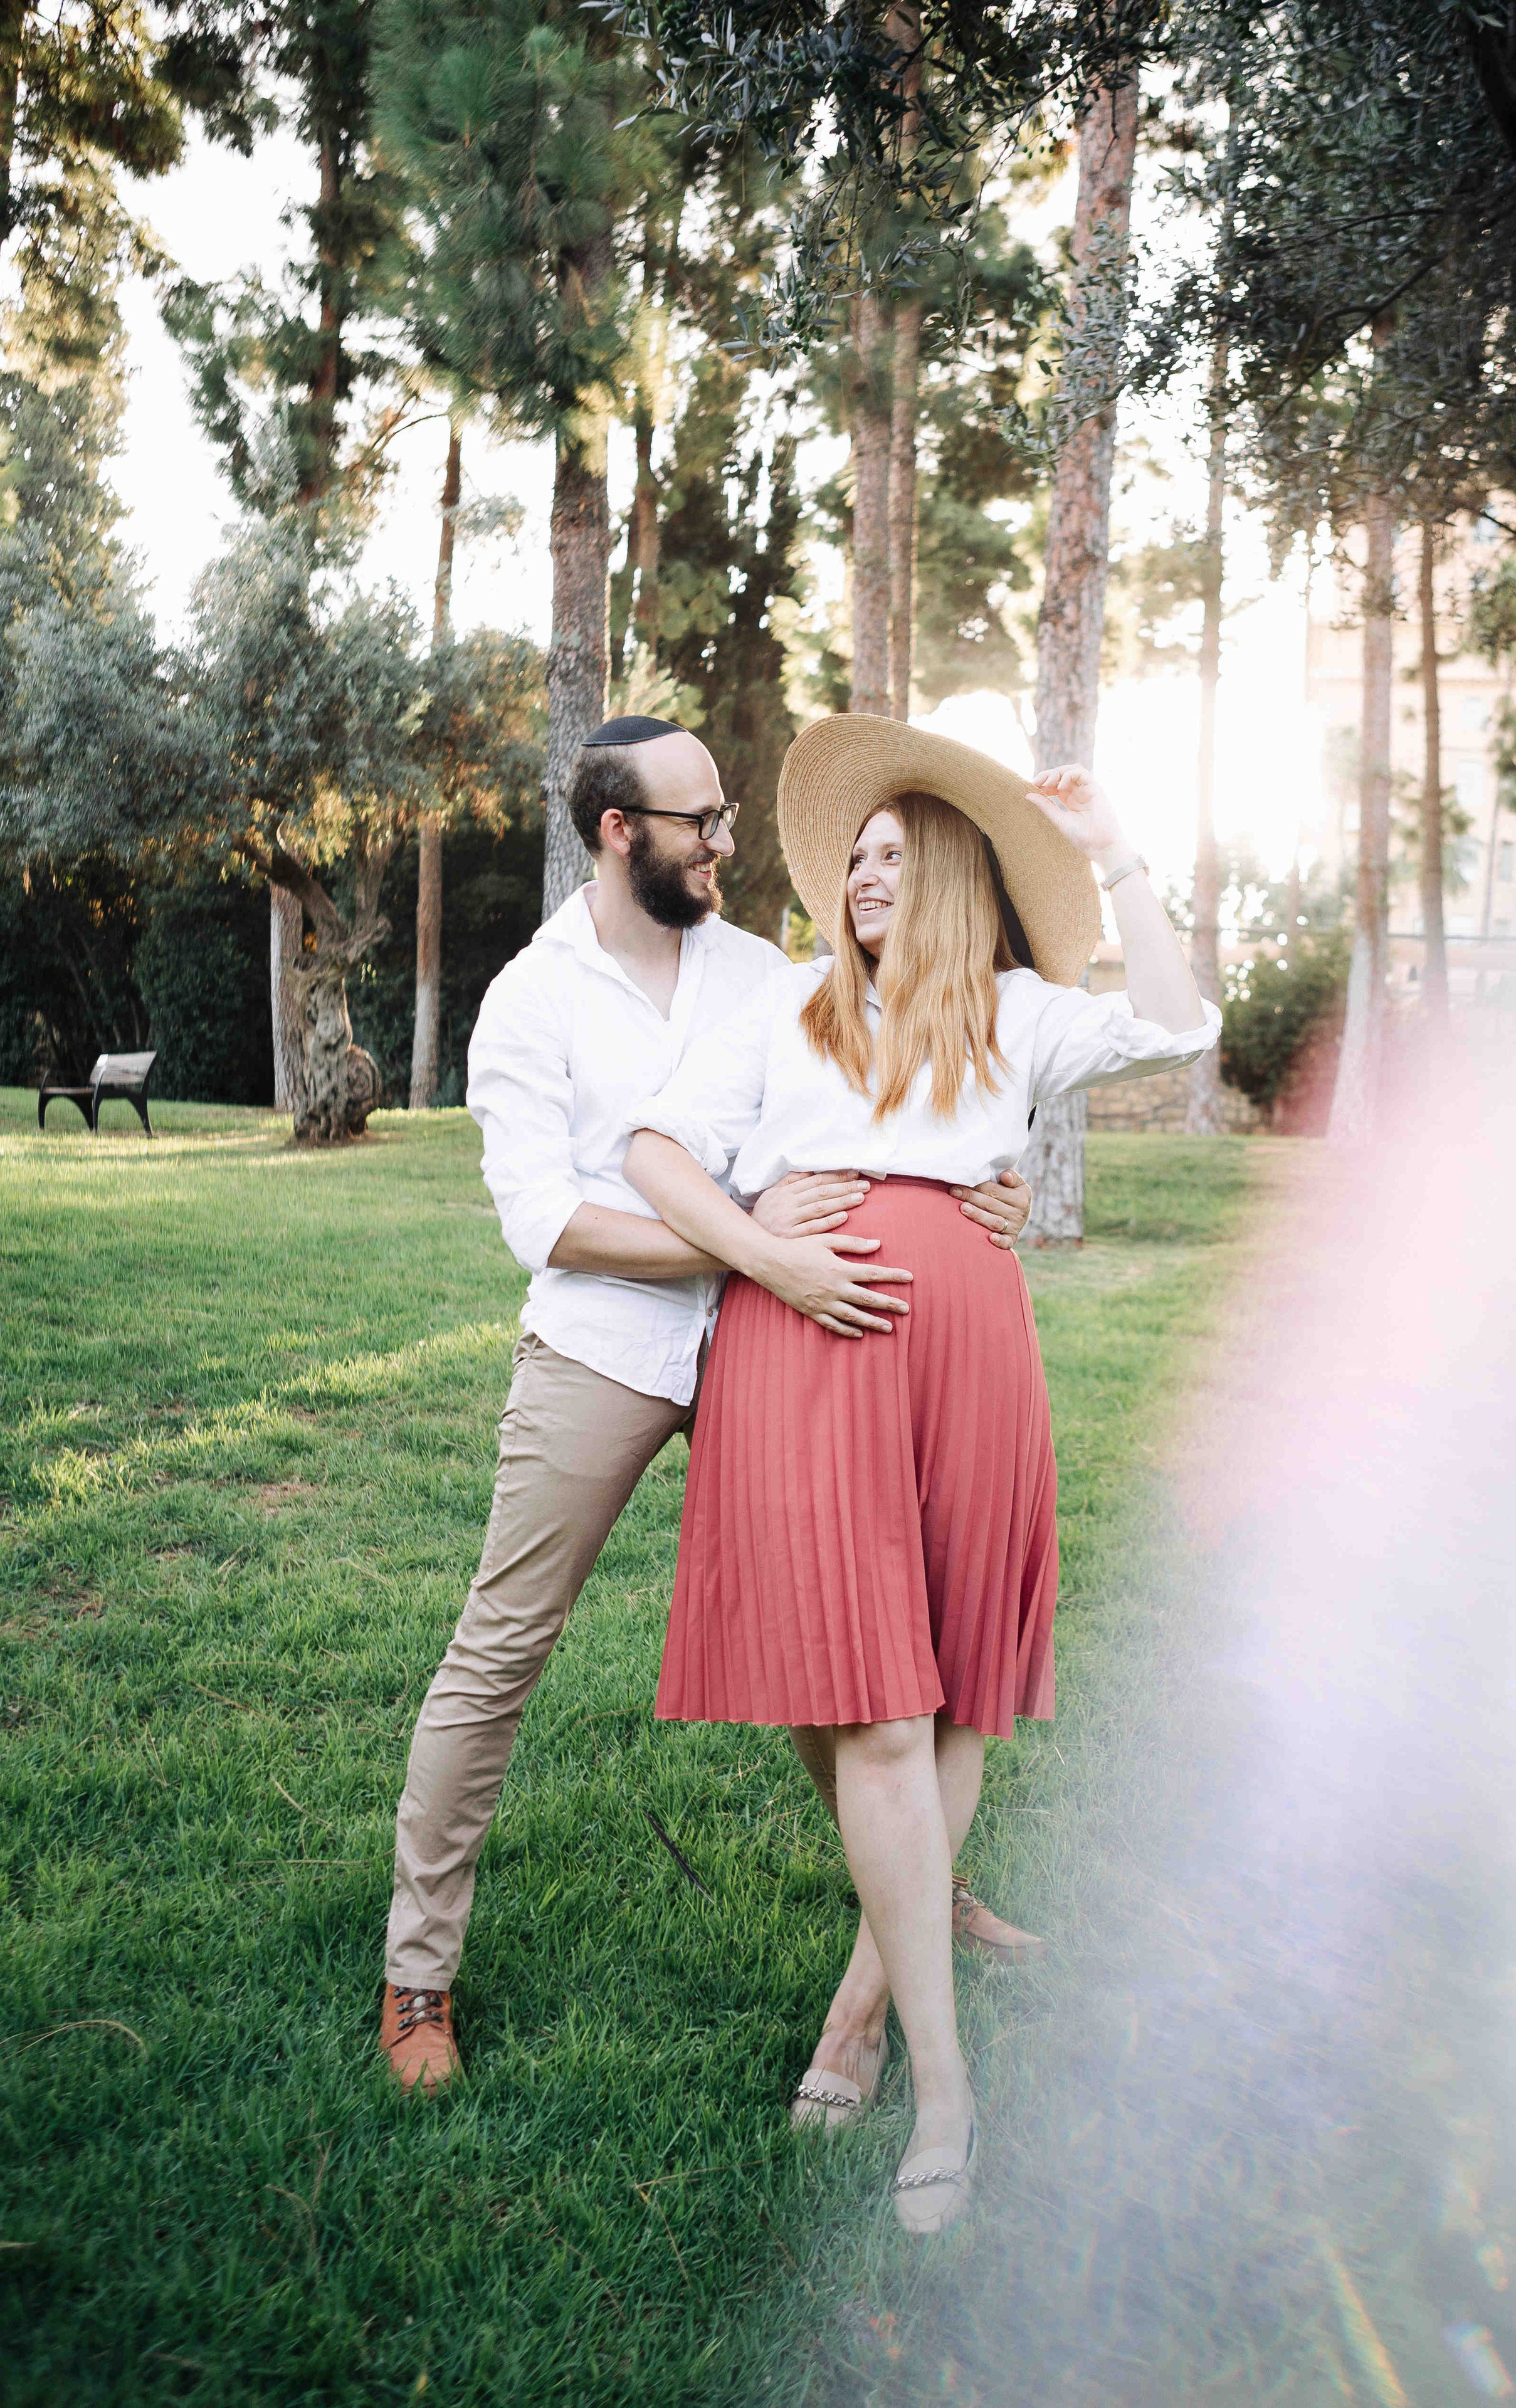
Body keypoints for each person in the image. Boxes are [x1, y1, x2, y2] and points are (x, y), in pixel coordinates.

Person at [624, 715, 1220, 2234]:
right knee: (863, 1700)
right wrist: (767, 1237)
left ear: (949, 872)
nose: (865, 877)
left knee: (945, 1692)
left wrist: (1119, 856)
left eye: (894, 856)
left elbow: (1176, 1023)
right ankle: (927, 2049)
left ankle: (878, 2026)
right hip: (808, 1339)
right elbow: (653, 1152)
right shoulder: (783, 1015)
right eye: (855, 860)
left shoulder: (1013, 1014)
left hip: (965, 1357)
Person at [380, 715, 1037, 2091]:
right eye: (701, 824)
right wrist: (750, 1240)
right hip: (608, 1349)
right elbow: (546, 1220)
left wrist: (984, 1179)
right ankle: (417, 1975)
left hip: (781, 1351)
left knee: (845, 1661)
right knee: (500, 1647)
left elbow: (882, 1089)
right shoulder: (530, 997)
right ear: (622, 835)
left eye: (730, 816)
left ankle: (913, 1904)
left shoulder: (760, 972)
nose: (730, 844)